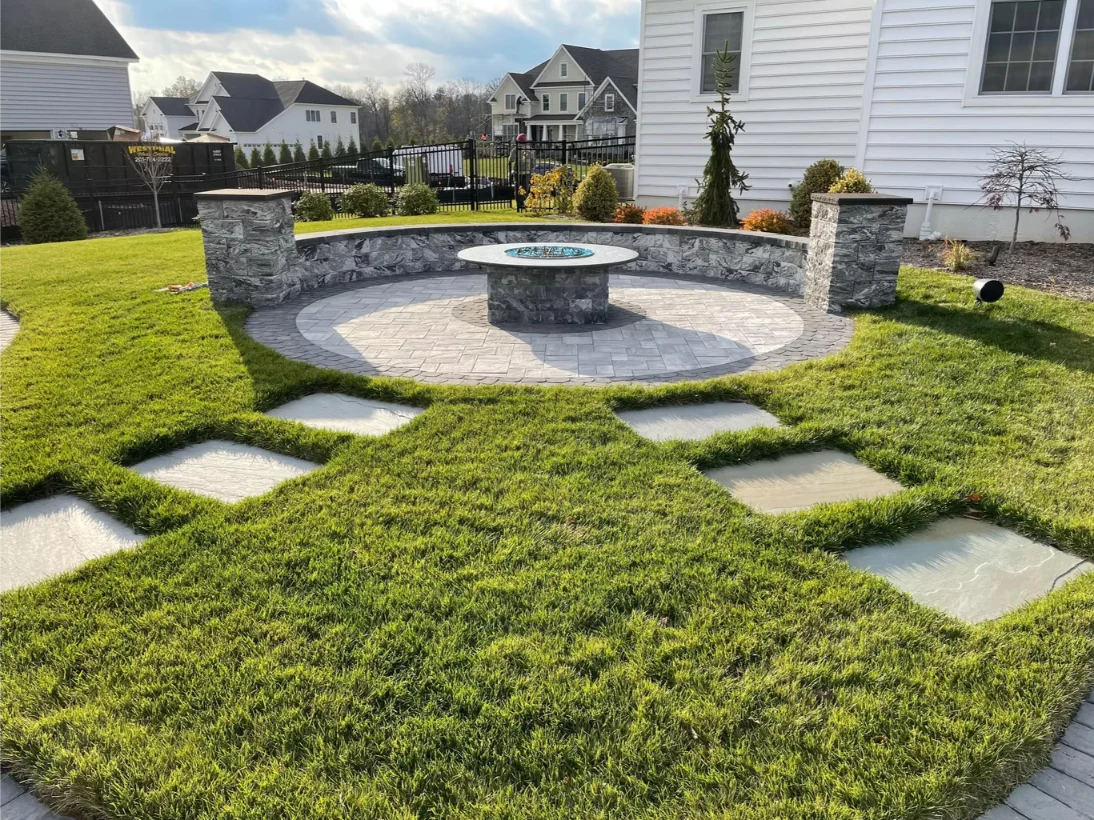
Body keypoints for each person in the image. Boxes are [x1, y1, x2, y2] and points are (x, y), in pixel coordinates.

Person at [509, 133, 535, 212]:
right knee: (525, 188)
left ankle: (519, 204)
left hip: (517, 172)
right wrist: (530, 169)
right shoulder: (530, 150)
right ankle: (524, 203)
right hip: (527, 172)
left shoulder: (515, 149)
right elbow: (533, 162)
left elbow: (511, 160)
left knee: (517, 188)